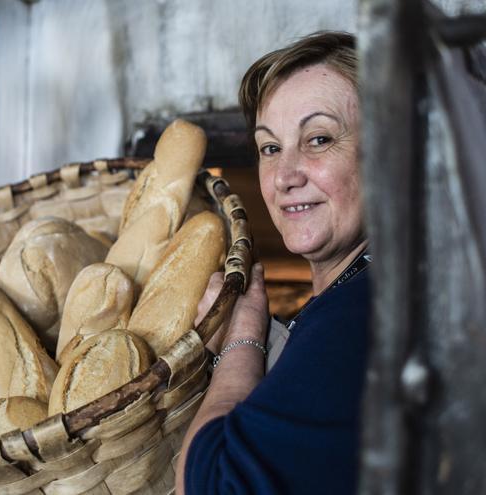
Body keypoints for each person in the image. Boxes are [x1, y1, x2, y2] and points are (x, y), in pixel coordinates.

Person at [178, 31, 370, 494]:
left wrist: (242, 337)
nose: (285, 175)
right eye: (270, 147)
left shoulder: (364, 314)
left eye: (319, 139)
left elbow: (212, 486)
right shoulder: (356, 295)